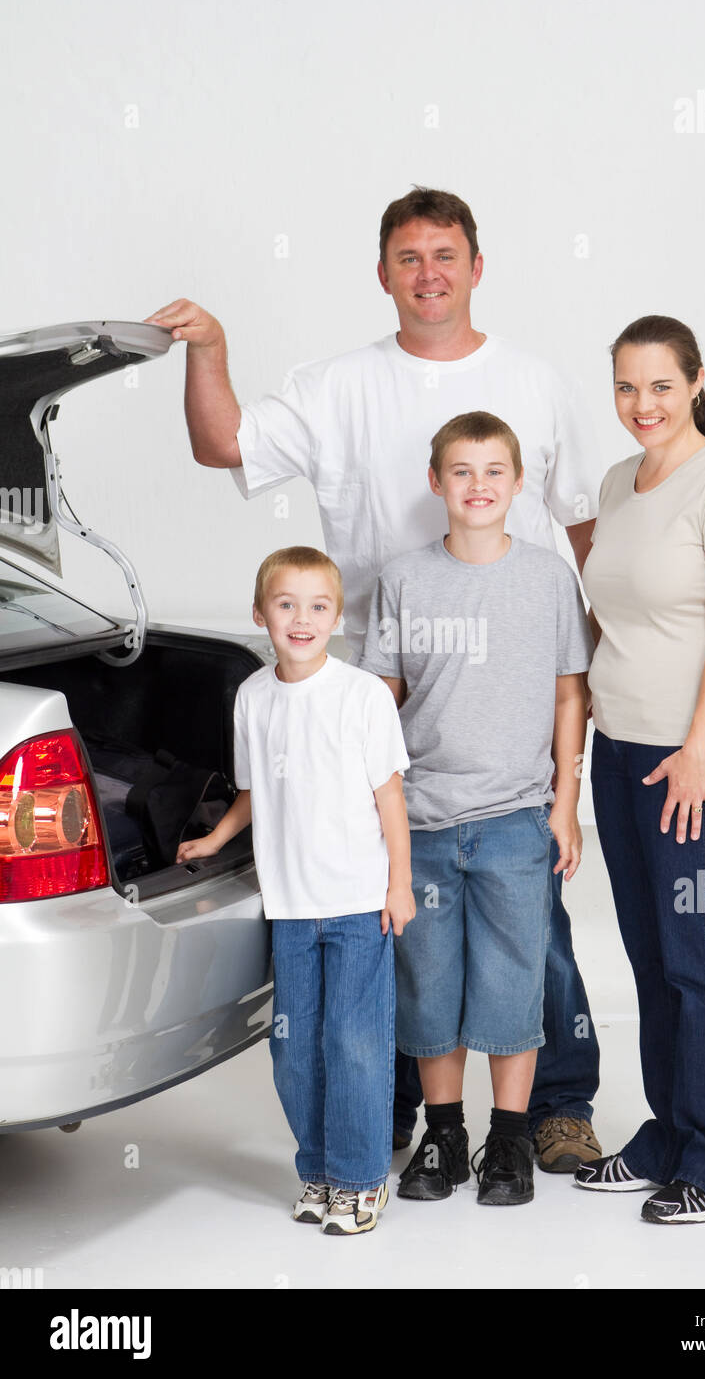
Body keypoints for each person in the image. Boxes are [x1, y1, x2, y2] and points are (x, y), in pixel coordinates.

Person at [145, 187, 605, 1170]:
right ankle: (407, 1111)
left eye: (445, 255)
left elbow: (578, 525)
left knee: (530, 904)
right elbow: (220, 445)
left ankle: (556, 1105)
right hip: (380, 685)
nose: (427, 272)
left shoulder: (532, 381)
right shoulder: (337, 385)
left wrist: (588, 653)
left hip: (512, 692)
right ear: (383, 272)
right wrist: (210, 350)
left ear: (476, 268)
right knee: (395, 902)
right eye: (407, 257)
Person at [360, 411, 592, 1205]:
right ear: (436, 483)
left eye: (495, 471)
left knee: (512, 981)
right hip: (422, 820)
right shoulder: (403, 578)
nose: (479, 486)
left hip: (516, 816)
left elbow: (570, 694)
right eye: (462, 471)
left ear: (519, 483)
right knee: (429, 985)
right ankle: (446, 1133)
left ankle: (510, 1140)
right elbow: (380, 694)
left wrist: (566, 802)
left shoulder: (549, 577)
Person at [575, 315, 705, 1223]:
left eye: (659, 385)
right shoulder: (620, 481)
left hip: (695, 756)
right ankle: (672, 1132)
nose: (641, 404)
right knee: (651, 954)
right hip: (619, 750)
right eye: (625, 387)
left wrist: (698, 748)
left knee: (700, 955)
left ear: (694, 382)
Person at [176, 546, 414, 1235]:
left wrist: (399, 885)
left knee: (355, 1043)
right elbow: (255, 790)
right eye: (286, 605)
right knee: (294, 1046)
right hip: (290, 908)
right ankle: (318, 1169)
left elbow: (391, 799)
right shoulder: (253, 697)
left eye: (317, 606)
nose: (301, 619)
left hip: (358, 901)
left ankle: (362, 1179)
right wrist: (218, 839)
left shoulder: (362, 694)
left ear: (336, 616)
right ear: (261, 614)